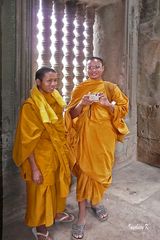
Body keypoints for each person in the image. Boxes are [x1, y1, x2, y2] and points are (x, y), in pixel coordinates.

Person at [64, 57, 129, 239]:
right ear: (86, 69)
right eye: (90, 67)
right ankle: (82, 217)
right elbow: (71, 114)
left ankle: (96, 201)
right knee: (85, 174)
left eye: (97, 67)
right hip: (85, 139)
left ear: (103, 68)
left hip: (104, 139)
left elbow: (123, 108)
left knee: (101, 173)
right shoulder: (80, 89)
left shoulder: (110, 88)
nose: (93, 70)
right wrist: (82, 104)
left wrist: (107, 104)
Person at [12, 67, 75, 240]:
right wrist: (34, 168)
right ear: (38, 82)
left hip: (56, 153)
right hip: (39, 157)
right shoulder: (31, 106)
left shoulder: (55, 99)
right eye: (49, 81)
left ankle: (54, 213)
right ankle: (40, 225)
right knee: (40, 191)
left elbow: (60, 127)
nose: (54, 84)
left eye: (56, 80)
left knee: (57, 184)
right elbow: (27, 141)